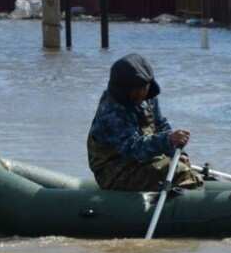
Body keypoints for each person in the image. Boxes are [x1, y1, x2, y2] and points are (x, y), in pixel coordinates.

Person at [87, 54, 203, 191]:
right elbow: (133, 148)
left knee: (185, 168)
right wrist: (168, 140)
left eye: (144, 88)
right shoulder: (111, 112)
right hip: (115, 171)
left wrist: (176, 151)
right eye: (136, 90)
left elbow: (160, 125)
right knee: (179, 173)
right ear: (123, 89)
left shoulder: (147, 97)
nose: (141, 94)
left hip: (143, 161)